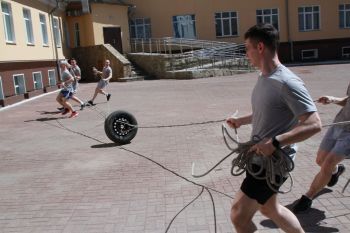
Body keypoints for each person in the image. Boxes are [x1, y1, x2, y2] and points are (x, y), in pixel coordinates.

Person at [226, 23, 321, 233]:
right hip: (260, 158)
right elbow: (270, 111)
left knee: (238, 214)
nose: (246, 54)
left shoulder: (287, 82)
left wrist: (276, 142)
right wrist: (243, 120)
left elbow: (314, 124)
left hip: (272, 163)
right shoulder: (264, 77)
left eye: (247, 48)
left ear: (260, 48)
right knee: (270, 209)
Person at [292, 85, 350, 213]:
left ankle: (308, 196)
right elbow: (348, 100)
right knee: (320, 160)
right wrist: (333, 99)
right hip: (338, 125)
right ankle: (336, 171)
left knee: (328, 163)